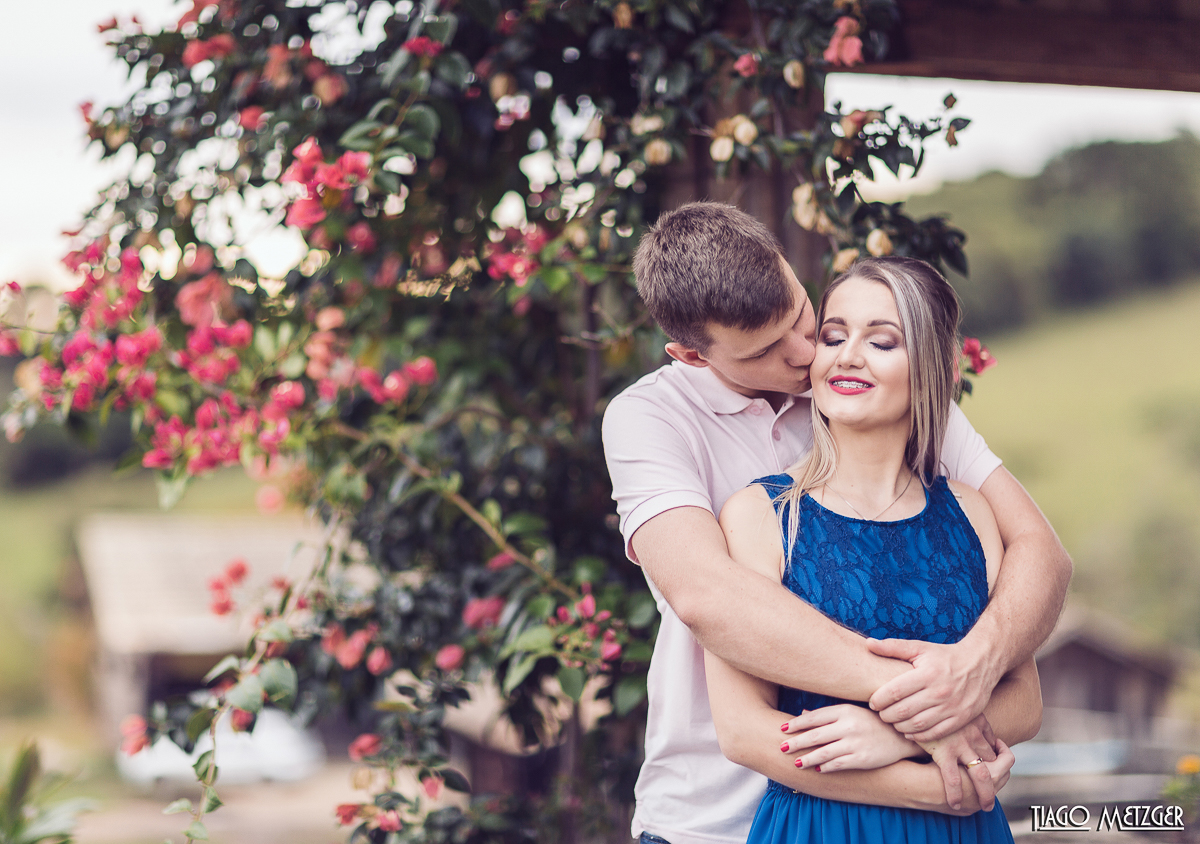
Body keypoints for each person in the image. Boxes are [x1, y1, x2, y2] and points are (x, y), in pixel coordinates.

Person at [601, 202, 1071, 844]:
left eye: (801, 317)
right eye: (767, 349)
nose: (804, 354)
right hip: (712, 817)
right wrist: (929, 711)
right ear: (690, 355)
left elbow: (1040, 552)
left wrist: (974, 668)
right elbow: (708, 598)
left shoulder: (872, 386)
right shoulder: (652, 420)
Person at [705, 256, 1042, 843]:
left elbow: (1025, 702)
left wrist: (893, 735)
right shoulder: (762, 516)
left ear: (933, 368)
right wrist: (929, 784)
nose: (846, 355)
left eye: (881, 341)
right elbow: (743, 732)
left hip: (964, 829)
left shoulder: (972, 513)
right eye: (832, 336)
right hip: (824, 825)